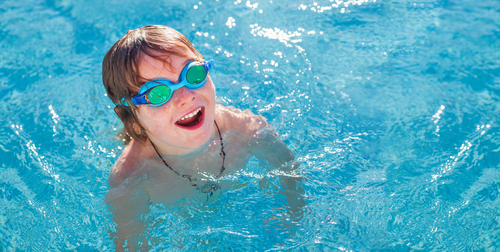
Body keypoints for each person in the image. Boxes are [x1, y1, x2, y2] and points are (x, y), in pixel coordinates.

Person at [102, 25, 304, 251]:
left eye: (193, 74)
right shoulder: (131, 180)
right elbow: (131, 244)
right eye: (158, 93)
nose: (186, 97)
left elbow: (289, 173)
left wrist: (294, 214)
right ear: (131, 119)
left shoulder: (246, 128)